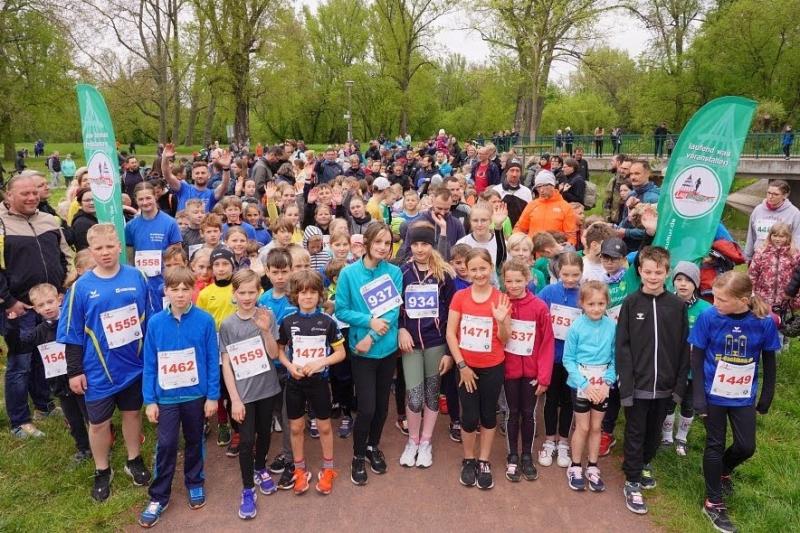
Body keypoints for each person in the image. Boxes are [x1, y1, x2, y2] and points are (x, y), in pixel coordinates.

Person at [58, 223, 154, 501]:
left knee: (132, 414)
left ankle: (133, 459)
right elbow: (72, 333)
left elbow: (151, 320)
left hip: (134, 366)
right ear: (90, 251)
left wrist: (152, 359)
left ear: (119, 247)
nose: (105, 252)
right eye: (98, 248)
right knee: (98, 423)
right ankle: (102, 469)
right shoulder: (81, 287)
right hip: (98, 370)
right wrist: (74, 371)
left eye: (110, 246)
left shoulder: (137, 276)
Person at [689, 271, 779, 533]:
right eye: (714, 297)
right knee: (714, 444)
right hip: (713, 393)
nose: (715, 303)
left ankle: (723, 470)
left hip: (742, 395)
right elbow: (697, 357)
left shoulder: (763, 322)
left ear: (743, 300)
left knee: (746, 446)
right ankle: (713, 503)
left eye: (721, 299)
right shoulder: (709, 317)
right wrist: (698, 398)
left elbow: (769, 360)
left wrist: (766, 396)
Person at [138, 267, 220, 527]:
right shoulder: (155, 323)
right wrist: (150, 400)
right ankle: (159, 496)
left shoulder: (205, 320)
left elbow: (212, 359)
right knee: (167, 444)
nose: (181, 294)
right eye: (175, 289)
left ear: (193, 290)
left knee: (195, 440)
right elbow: (150, 363)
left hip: (196, 395)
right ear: (166, 291)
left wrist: (213, 396)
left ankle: (194, 482)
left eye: (186, 289)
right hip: (166, 398)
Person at [617, 246, 690, 515]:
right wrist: (626, 385)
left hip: (666, 386)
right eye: (648, 272)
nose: (653, 277)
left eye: (658, 272)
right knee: (635, 431)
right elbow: (622, 346)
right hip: (637, 385)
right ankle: (632, 480)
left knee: (654, 432)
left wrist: (679, 387)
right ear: (640, 271)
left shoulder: (677, 306)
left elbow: (683, 348)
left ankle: (644, 463)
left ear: (667, 273)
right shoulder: (630, 303)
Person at [2, 172, 73, 439]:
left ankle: (44, 405)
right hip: (18, 308)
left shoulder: (49, 220)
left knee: (45, 356)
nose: (32, 197)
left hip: (50, 304)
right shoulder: (1, 225)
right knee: (20, 363)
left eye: (35, 192)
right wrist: (10, 301)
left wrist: (65, 287)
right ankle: (20, 420)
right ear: (9, 195)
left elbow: (65, 255)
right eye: (25, 193)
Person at [334, 222, 402, 486]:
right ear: (367, 244)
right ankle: (358, 455)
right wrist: (368, 322)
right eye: (378, 242)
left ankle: (373, 446)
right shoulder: (348, 273)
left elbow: (393, 311)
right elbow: (341, 310)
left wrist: (372, 335)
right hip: (361, 352)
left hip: (385, 349)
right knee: (367, 408)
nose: (383, 248)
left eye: (387, 243)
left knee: (382, 407)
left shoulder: (394, 272)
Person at [219, 269, 281, 519]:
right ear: (234, 294)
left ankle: (260, 467)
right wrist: (234, 399)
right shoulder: (227, 325)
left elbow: (274, 354)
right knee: (246, 441)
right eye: (242, 293)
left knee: (264, 432)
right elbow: (226, 364)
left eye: (251, 292)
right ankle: (247, 489)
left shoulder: (267, 315)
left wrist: (265, 330)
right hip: (243, 394)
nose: (247, 297)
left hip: (267, 388)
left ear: (259, 292)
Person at [446, 249, 511, 489]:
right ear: (467, 270)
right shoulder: (460, 297)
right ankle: (469, 459)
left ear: (490, 267)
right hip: (466, 368)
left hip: (492, 366)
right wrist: (461, 365)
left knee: (488, 415)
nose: (479, 273)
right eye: (473, 269)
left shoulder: (501, 299)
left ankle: (484, 460)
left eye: (483, 268)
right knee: (469, 416)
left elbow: (505, 339)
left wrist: (501, 321)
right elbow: (450, 333)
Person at [277, 270, 345, 495]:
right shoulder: (288, 321)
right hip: (295, 383)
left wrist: (320, 363)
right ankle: (299, 470)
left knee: (324, 426)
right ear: (295, 295)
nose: (308, 297)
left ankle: (328, 469)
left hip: (319, 383)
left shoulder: (327, 322)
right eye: (303, 293)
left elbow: (341, 353)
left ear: (319, 295)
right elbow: (280, 350)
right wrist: (290, 367)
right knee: (296, 427)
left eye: (313, 292)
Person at [397, 223, 456, 468]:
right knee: (414, 396)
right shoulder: (402, 272)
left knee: (432, 393)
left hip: (436, 343)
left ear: (432, 245)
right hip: (410, 344)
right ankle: (412, 441)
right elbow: (395, 306)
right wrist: (400, 328)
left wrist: (450, 352)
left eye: (425, 244)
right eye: (416, 244)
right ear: (409, 245)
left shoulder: (445, 274)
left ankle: (425, 442)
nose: (420, 249)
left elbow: (453, 313)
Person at [23, 283, 91, 462]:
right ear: (35, 309)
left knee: (90, 415)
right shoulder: (38, 332)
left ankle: (102, 443)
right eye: (41, 305)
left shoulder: (72, 322)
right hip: (59, 384)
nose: (47, 307)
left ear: (59, 300)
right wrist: (14, 323)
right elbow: (21, 343)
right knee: (73, 419)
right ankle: (83, 448)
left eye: (50, 302)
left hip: (80, 379)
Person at [500, 259, 554, 483]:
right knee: (512, 413)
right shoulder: (501, 303)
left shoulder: (539, 307)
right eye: (509, 281)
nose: (513, 285)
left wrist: (544, 376)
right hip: (509, 371)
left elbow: (547, 343)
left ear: (528, 279)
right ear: (503, 281)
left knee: (528, 414)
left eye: (518, 281)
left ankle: (526, 456)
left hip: (532, 373)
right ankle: (512, 455)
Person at [563, 280, 616, 492]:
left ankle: (592, 466)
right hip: (581, 385)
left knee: (596, 427)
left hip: (602, 385)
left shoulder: (612, 326)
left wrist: (607, 382)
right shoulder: (576, 327)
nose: (596, 308)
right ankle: (575, 465)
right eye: (591, 304)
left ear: (607, 303)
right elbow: (568, 359)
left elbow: (616, 358)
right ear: (582, 304)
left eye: (601, 304)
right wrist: (584, 384)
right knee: (583, 427)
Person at [661, 261, 712, 456]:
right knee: (669, 402)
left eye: (688, 280)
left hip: (693, 367)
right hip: (670, 365)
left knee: (688, 403)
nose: (683, 284)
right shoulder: (665, 303)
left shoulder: (706, 309)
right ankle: (666, 436)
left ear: (696, 284)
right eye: (679, 279)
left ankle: (681, 437)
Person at [537, 253, 583, 468]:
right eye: (566, 274)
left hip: (573, 360)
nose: (570, 279)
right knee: (550, 399)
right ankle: (549, 441)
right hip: (552, 357)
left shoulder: (584, 294)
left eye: (575, 275)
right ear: (558, 272)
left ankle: (563, 441)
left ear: (581, 273)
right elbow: (537, 318)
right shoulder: (548, 292)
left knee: (568, 401)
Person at [126, 182, 183, 312]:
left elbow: (177, 256)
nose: (145, 202)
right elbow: (129, 256)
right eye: (141, 199)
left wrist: (173, 280)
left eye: (148, 198)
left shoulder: (170, 223)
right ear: (136, 200)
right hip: (142, 283)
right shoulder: (130, 226)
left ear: (155, 197)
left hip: (165, 282)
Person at [514, 170, 578, 246]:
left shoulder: (565, 207)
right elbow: (520, 228)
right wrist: (516, 242)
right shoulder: (532, 205)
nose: (541, 190)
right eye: (538, 187)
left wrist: (566, 247)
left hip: (555, 250)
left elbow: (571, 236)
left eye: (545, 186)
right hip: (533, 250)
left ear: (553, 185)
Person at [162, 143, 231, 212]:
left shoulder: (211, 194)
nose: (200, 176)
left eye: (203, 173)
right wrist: (165, 158)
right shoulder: (183, 188)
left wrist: (226, 168)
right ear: (192, 175)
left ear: (209, 175)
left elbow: (224, 185)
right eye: (197, 173)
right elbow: (168, 175)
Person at [744, 179, 800, 262]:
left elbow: (797, 238)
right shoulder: (758, 210)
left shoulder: (794, 213)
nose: (770, 197)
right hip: (759, 258)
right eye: (769, 193)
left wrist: (795, 259)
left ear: (785, 195)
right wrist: (748, 256)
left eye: (775, 194)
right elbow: (751, 235)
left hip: (782, 261)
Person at [748, 222, 798, 309]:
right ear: (770, 236)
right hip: (763, 298)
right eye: (775, 236)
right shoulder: (761, 252)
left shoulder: (794, 254)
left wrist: (796, 297)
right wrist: (751, 293)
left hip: (785, 299)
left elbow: (797, 278)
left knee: (782, 316)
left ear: (788, 237)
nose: (777, 239)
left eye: (781, 236)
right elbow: (752, 274)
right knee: (763, 316)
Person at [492, 158, 532, 227]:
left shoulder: (526, 192)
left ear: (521, 173)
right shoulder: (496, 190)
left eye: (517, 171)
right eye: (512, 170)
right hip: (500, 228)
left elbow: (529, 214)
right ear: (506, 172)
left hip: (519, 230)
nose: (514, 174)